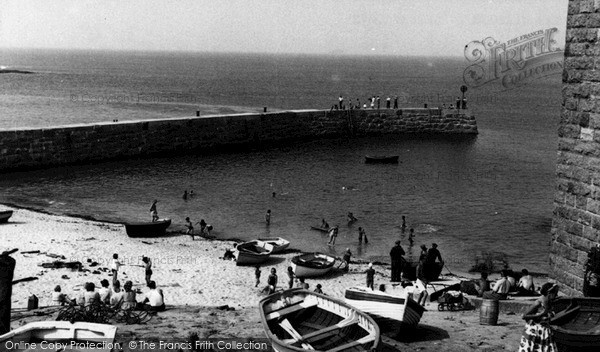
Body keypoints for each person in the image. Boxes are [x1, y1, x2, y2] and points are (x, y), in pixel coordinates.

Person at [518, 283, 559, 352]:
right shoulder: (538, 303)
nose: (556, 295)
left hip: (544, 330)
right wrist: (539, 315)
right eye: (555, 293)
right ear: (549, 293)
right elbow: (524, 316)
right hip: (535, 330)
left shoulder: (549, 302)